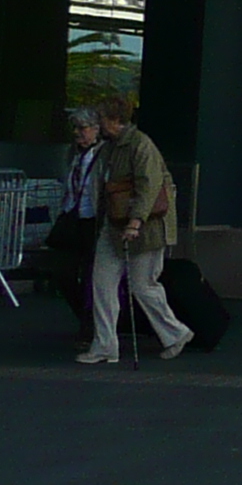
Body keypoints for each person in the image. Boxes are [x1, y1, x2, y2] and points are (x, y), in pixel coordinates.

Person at [84, 93, 190, 363]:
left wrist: (135, 222)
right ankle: (105, 344)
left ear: (115, 120)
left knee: (143, 285)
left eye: (101, 120)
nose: (98, 125)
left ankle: (175, 332)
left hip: (144, 227)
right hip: (115, 225)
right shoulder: (111, 147)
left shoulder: (140, 145)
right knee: (103, 284)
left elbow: (149, 186)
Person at [51, 109, 105, 344]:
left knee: (93, 275)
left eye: (82, 128)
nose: (77, 133)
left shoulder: (104, 155)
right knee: (63, 271)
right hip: (73, 217)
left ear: (95, 130)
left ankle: (90, 323)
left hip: (92, 219)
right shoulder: (72, 154)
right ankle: (84, 316)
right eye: (76, 128)